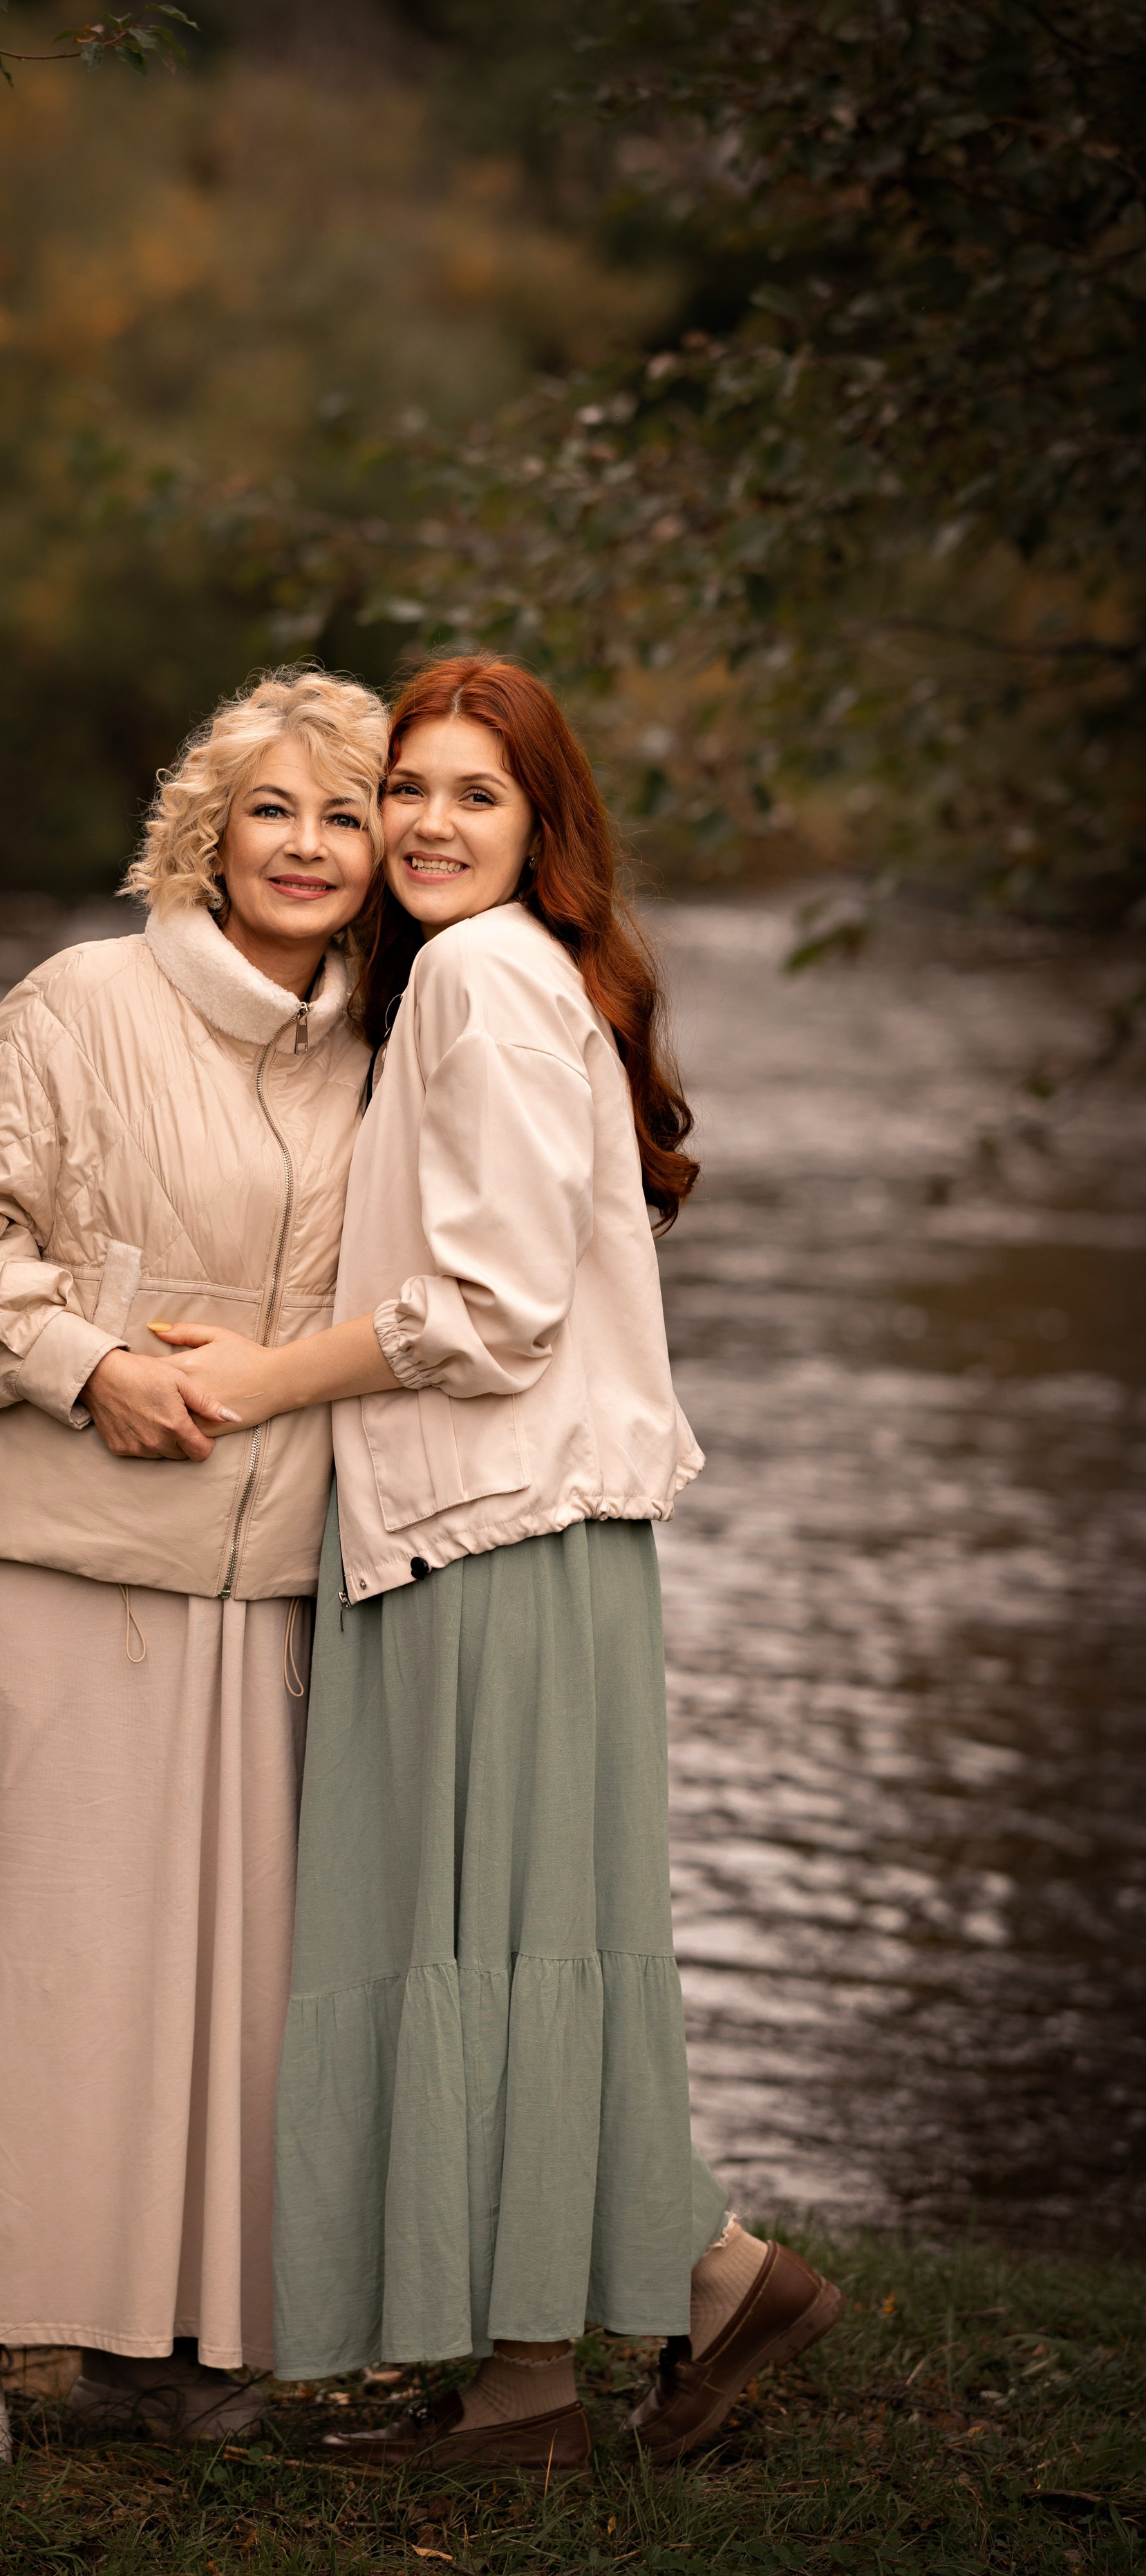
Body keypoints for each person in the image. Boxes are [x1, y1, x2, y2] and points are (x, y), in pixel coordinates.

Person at [153, 654, 845, 2475]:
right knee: (512, 1957)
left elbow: (494, 1308)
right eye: (410, 787)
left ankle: (691, 2294)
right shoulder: (499, 980)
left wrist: (258, 1379)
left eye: (479, 792)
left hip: (497, 1535)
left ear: (543, 825)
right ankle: (561, 2369)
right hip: (502, 1533)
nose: (429, 824)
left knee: (497, 1954)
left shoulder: (479, 976)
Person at [0, 667, 386, 2459]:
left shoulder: (397, 1051)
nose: (306, 847)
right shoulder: (79, 1003)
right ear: (209, 835)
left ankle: (162, 2347)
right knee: (34, 1971)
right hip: (62, 1569)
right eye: (272, 810)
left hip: (274, 1595)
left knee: (223, 2001)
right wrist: (90, 1367)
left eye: (344, 814)